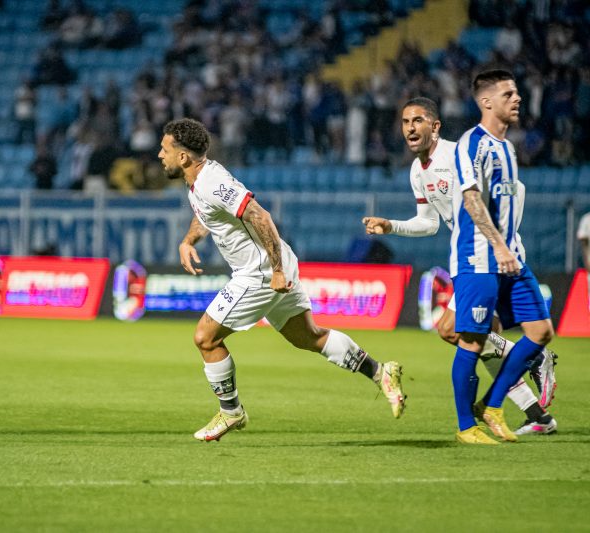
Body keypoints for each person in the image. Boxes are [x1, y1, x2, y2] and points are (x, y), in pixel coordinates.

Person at [158, 118, 406, 442]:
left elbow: (260, 216)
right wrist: (189, 240)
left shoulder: (209, 181)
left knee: (206, 338)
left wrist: (275, 270)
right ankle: (380, 371)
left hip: (260, 271)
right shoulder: (200, 181)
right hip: (275, 265)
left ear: (183, 157)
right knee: (308, 337)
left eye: (164, 150)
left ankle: (231, 411)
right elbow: (207, 215)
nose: (159, 155)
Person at [363, 97, 557, 437]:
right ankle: (537, 414)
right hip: (472, 258)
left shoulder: (458, 156)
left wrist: (502, 241)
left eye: (418, 120)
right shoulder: (417, 171)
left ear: (435, 127)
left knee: (457, 333)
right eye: (405, 121)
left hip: (491, 257)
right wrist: (391, 225)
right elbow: (429, 224)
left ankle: (531, 363)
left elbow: (517, 189)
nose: (410, 127)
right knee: (471, 339)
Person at [448, 70, 554, 444]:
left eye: (517, 93)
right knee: (473, 342)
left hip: (511, 258)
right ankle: (466, 427)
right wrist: (497, 245)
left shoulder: (507, 148)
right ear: (486, 102)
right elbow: (471, 199)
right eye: (509, 94)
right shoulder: (471, 144)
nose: (517, 99)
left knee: (541, 331)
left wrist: (510, 249)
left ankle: (492, 407)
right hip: (479, 259)